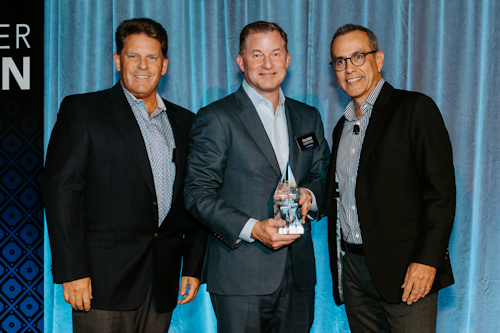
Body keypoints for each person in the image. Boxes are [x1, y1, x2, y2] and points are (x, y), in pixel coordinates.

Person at [43, 18, 207, 333]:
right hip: (100, 281)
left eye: (152, 57)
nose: (142, 66)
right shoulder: (83, 111)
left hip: (161, 281)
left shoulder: (186, 122)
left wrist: (194, 265)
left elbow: (195, 197)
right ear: (118, 61)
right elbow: (61, 192)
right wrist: (71, 270)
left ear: (165, 65)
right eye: (133, 56)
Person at [184, 21, 330, 333]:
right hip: (240, 276)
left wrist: (310, 196)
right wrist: (254, 229)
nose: (267, 64)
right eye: (257, 55)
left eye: (275, 54)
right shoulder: (216, 117)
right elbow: (197, 194)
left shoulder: (309, 117)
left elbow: (325, 177)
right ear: (241, 62)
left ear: (287, 60)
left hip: (299, 276)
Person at [325, 24, 456, 332]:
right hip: (354, 272)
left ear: (379, 59)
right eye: (340, 61)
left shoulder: (414, 109)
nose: (349, 68)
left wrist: (428, 260)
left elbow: (441, 192)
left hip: (407, 269)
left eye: (358, 56)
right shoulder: (340, 127)